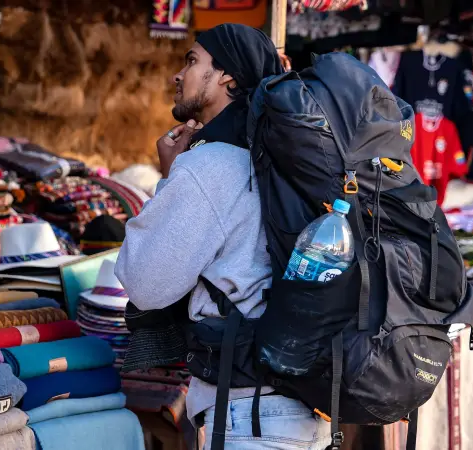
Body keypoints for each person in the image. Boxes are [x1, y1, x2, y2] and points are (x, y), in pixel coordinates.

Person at [114, 23, 333, 449]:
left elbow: (145, 283)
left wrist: (172, 178)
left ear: (227, 78)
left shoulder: (210, 165)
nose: (179, 75)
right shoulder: (276, 160)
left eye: (192, 62)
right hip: (298, 407)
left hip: (249, 415)